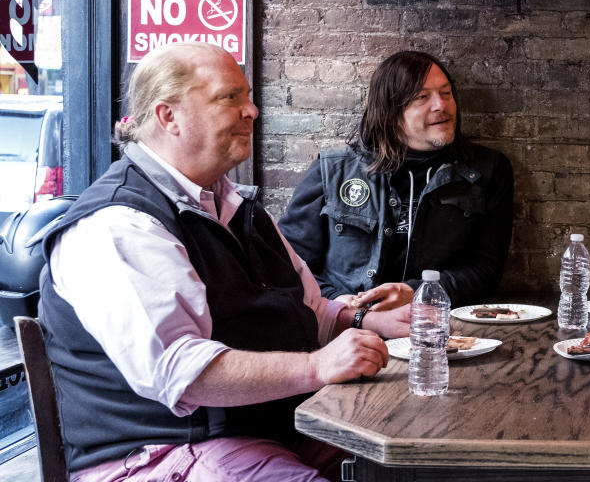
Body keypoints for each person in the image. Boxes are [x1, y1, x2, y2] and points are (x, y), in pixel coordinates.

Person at [39, 42, 410, 481]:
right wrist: (317, 366)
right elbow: (181, 371)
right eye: (228, 97)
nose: (251, 110)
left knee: (414, 454)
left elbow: (314, 314)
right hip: (163, 453)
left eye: (248, 97)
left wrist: (367, 321)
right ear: (167, 116)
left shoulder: (240, 209)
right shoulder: (118, 224)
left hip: (272, 429)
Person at [280, 51, 514, 310]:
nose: (441, 105)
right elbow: (288, 263)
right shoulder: (331, 171)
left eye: (446, 93)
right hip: (347, 330)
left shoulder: (487, 170)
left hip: (435, 326)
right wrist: (335, 300)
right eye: (422, 97)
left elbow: (486, 269)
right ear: (390, 112)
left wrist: (416, 293)